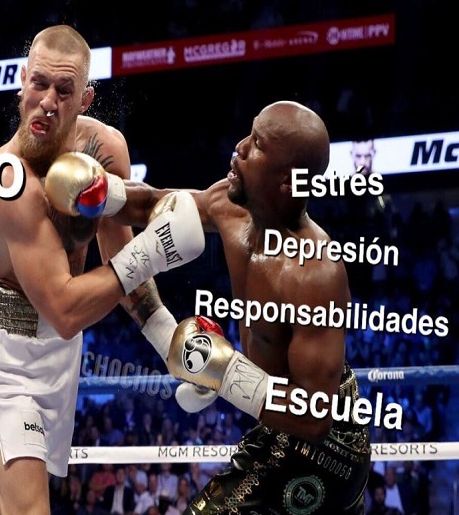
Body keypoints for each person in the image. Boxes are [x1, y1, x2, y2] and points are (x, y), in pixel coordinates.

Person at [0, 24, 204, 515]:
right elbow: (65, 309)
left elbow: (121, 263)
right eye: (39, 84)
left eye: (64, 90)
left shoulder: (105, 150)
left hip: (61, 355)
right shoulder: (7, 177)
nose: (47, 102)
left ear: (85, 99)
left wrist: (169, 342)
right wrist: (157, 247)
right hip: (7, 351)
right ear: (22, 81)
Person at [108, 101, 372, 513]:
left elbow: (315, 417)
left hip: (326, 445)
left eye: (258, 145)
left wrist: (221, 371)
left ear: (286, 181)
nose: (240, 147)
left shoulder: (315, 274)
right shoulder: (227, 205)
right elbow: (151, 205)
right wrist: (96, 192)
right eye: (249, 133)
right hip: (277, 427)